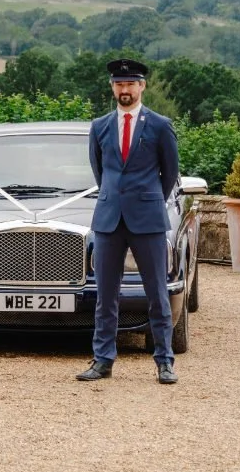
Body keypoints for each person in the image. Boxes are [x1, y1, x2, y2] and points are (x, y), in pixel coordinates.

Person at [76, 58, 180, 385]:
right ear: (112, 87)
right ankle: (103, 359)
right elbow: (101, 171)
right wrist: (115, 197)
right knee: (106, 296)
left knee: (157, 294)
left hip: (148, 219)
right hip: (108, 219)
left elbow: (170, 172)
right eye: (119, 84)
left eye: (130, 84)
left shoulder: (160, 125)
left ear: (141, 86)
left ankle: (164, 362)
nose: (125, 89)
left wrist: (148, 199)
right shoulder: (100, 126)